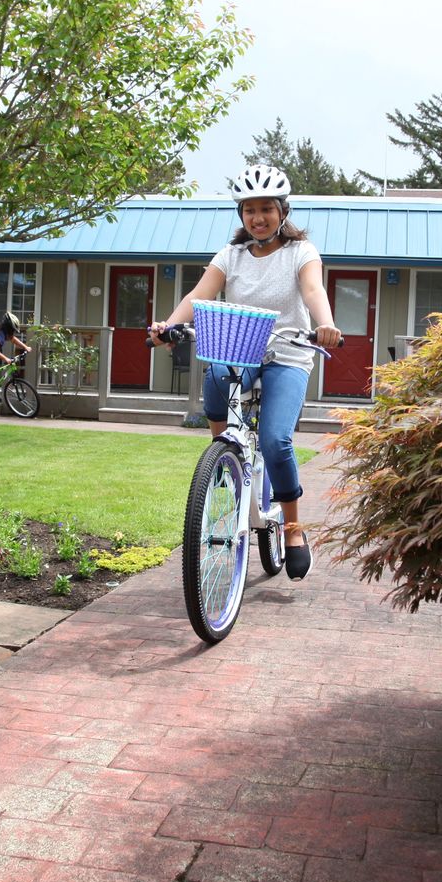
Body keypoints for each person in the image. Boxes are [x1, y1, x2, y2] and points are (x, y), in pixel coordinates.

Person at [149, 164, 342, 579]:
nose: (258, 218)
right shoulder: (230, 256)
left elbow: (313, 291)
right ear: (241, 215)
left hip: (288, 355)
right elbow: (199, 294)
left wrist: (324, 323)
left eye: (266, 209)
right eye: (250, 210)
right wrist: (167, 326)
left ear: (283, 211)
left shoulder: (300, 253)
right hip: (241, 350)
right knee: (216, 375)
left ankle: (292, 528)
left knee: (275, 441)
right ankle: (225, 453)